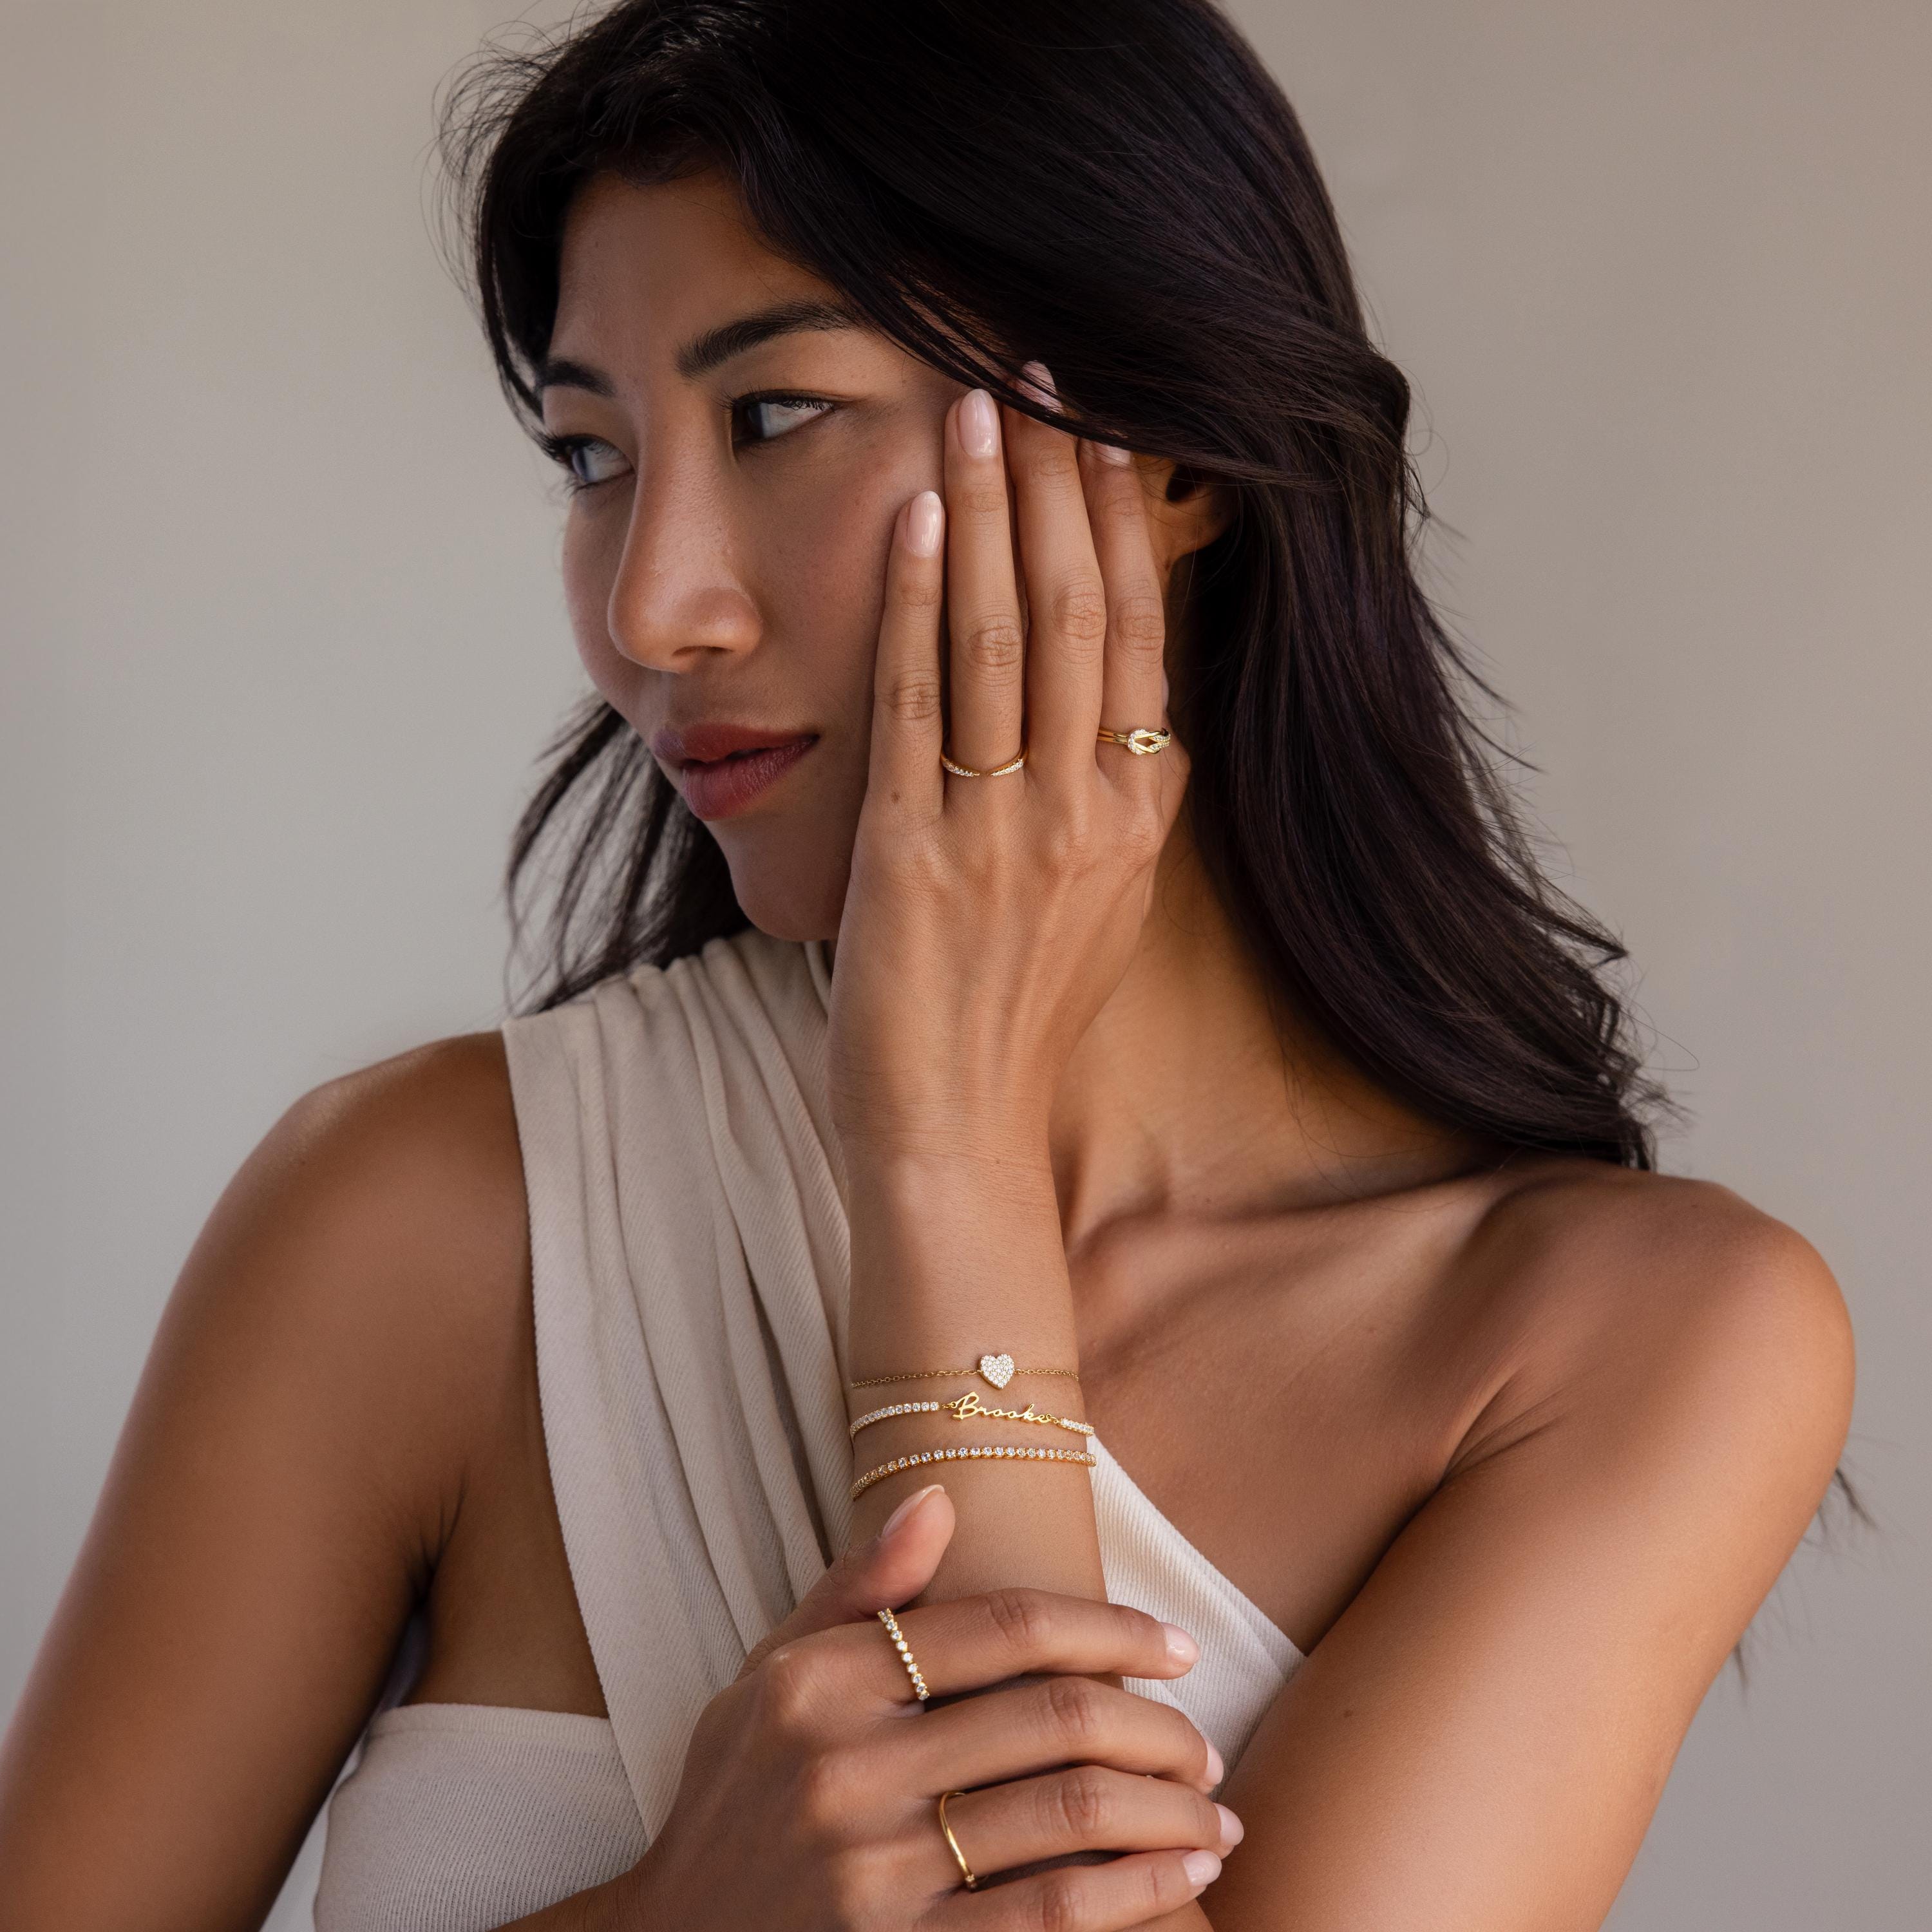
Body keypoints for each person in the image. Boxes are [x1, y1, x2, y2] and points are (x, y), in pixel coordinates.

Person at [0, 3, 1856, 1927]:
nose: (653, 602)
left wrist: (940, 1150)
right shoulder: (422, 1229)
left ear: (1168, 459)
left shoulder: (1620, 1346)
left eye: (774, 415)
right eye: (588, 452)